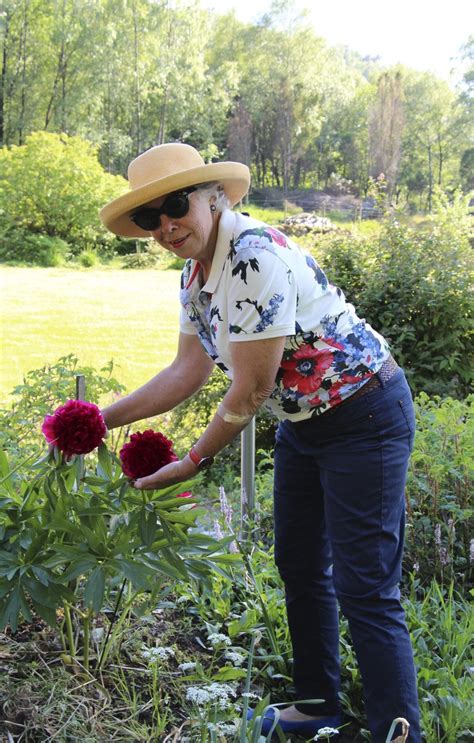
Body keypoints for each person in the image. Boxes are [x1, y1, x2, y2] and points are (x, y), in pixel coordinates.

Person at [99, 143, 421, 742]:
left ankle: (396, 730)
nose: (167, 226)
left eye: (176, 206)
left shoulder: (252, 256)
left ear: (213, 197)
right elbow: (186, 372)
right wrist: (100, 418)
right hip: (305, 424)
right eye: (151, 218)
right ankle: (320, 704)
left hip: (364, 416)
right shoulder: (196, 274)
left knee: (366, 587)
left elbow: (247, 394)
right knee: (299, 564)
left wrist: (193, 461)